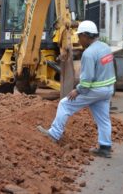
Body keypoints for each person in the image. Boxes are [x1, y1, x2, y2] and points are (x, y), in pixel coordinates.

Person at [37, 20, 116, 158]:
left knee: (64, 104)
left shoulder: (89, 53)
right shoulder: (105, 47)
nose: (78, 39)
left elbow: (87, 80)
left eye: (79, 36)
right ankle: (105, 147)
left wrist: (77, 90)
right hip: (108, 89)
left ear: (86, 35)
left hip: (95, 90)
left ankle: (54, 134)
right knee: (103, 119)